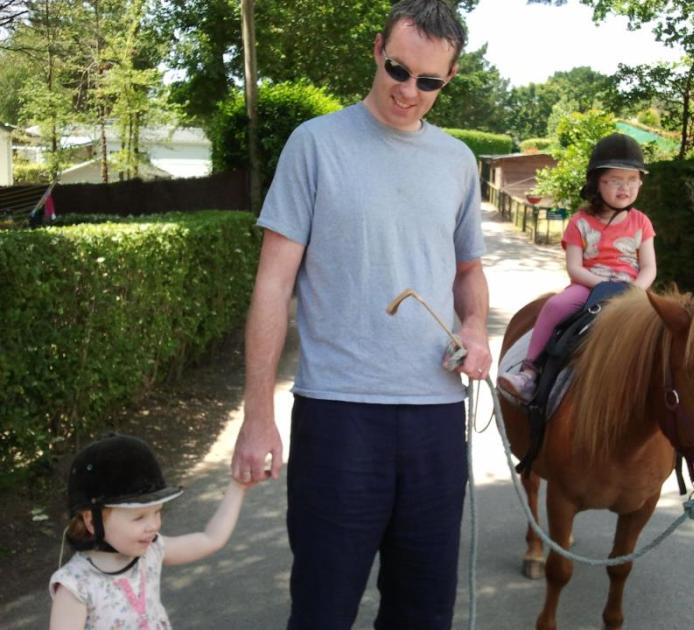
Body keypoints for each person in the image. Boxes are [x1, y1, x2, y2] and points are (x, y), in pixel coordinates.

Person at [230, 1, 491, 628]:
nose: (408, 91)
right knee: (322, 609)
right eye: (398, 70)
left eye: (428, 81)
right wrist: (258, 416)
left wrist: (477, 329)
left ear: (449, 78)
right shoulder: (315, 144)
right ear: (378, 49)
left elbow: (468, 272)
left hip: (436, 421)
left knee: (424, 612)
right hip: (339, 417)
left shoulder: (458, 160)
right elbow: (273, 285)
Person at [499, 133, 657, 402]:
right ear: (597, 183)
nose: (625, 188)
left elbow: (649, 267)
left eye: (632, 180)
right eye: (616, 180)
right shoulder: (580, 222)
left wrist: (634, 290)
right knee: (555, 307)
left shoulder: (642, 222)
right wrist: (603, 286)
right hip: (588, 287)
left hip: (631, 290)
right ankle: (529, 372)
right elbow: (574, 268)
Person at [49, 433, 249, 629]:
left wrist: (238, 486)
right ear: (92, 521)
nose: (154, 525)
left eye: (157, 512)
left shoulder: (151, 552)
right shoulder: (76, 587)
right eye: (139, 517)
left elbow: (210, 539)